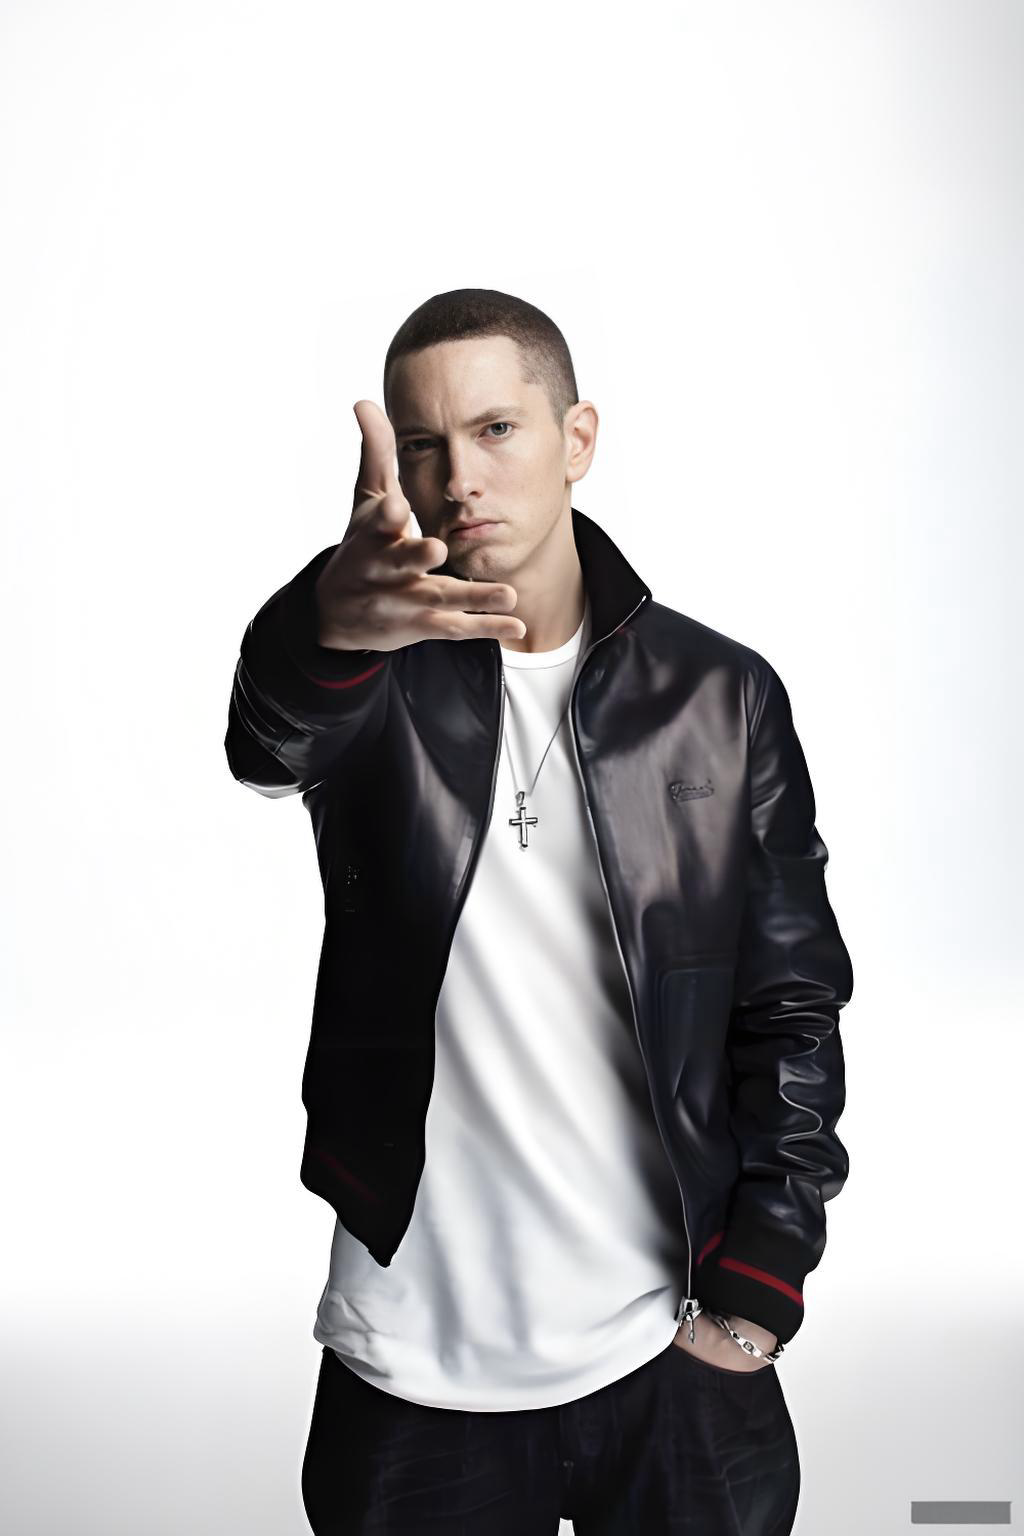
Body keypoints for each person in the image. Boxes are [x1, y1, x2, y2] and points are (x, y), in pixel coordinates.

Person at [224, 288, 854, 1534]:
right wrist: (322, 629)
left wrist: (759, 1287)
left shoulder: (718, 696)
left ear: (578, 439)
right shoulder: (365, 680)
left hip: (669, 1342)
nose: (458, 477)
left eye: (497, 429)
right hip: (411, 1359)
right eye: (423, 444)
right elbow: (264, 742)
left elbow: (791, 1003)